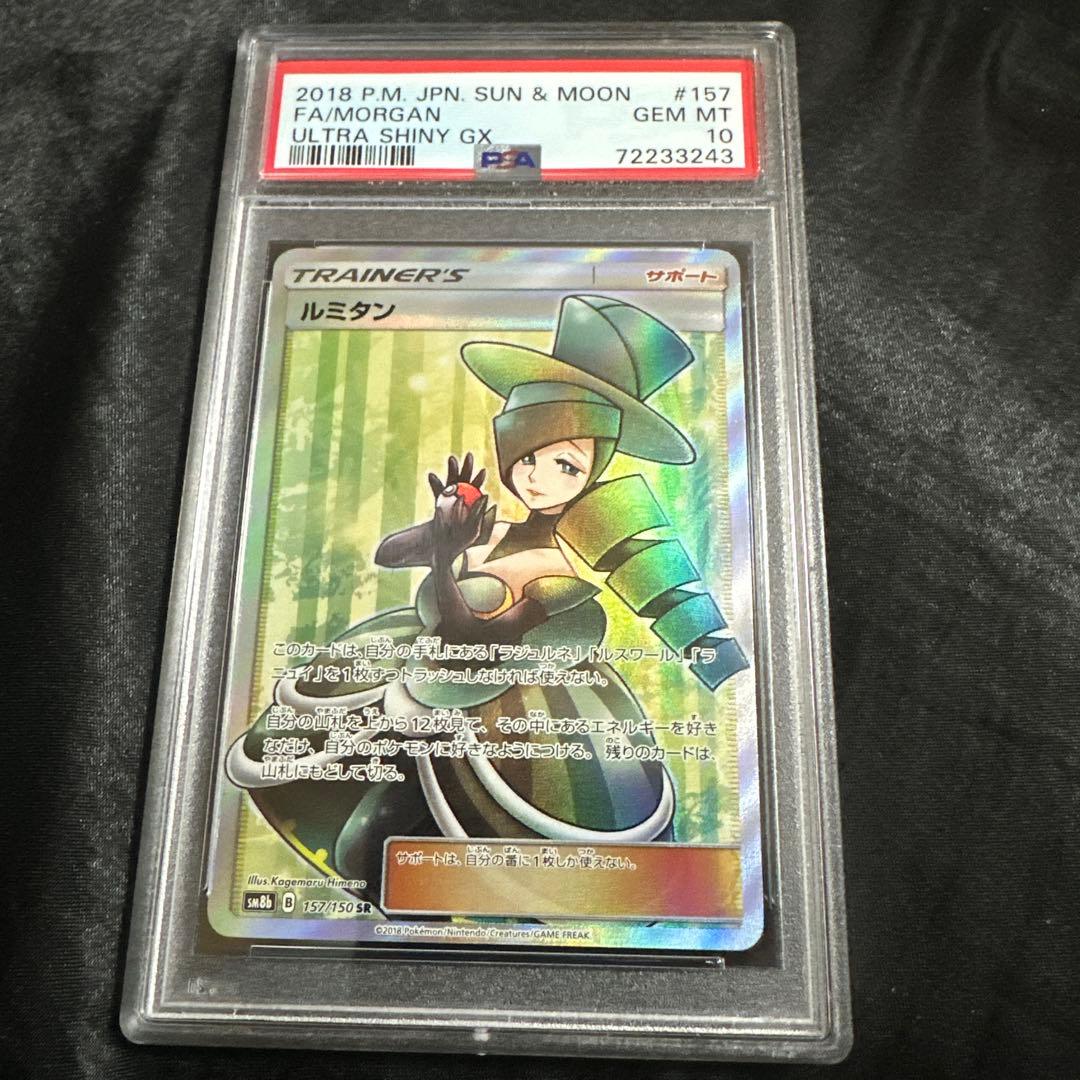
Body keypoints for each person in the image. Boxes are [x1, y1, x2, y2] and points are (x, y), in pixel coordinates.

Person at [226, 295, 746, 904]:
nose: (538, 477)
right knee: (360, 844)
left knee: (389, 851)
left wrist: (446, 557)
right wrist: (442, 526)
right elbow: (388, 554)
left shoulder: (565, 567)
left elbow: (474, 638)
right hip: (423, 691)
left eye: (566, 466)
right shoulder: (493, 528)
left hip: (517, 726)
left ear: (595, 471)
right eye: (527, 457)